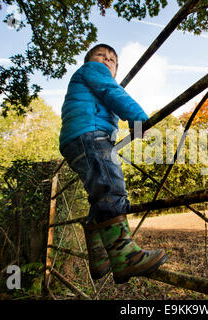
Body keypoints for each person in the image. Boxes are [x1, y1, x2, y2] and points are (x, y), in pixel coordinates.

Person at [59, 44, 167, 284]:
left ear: (116, 69)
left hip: (78, 140)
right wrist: (139, 119)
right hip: (90, 136)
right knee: (111, 188)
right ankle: (125, 257)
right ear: (89, 61)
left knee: (100, 193)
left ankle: (99, 257)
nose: (106, 60)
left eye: (112, 60)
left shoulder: (87, 79)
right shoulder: (94, 71)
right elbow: (112, 91)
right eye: (101, 56)